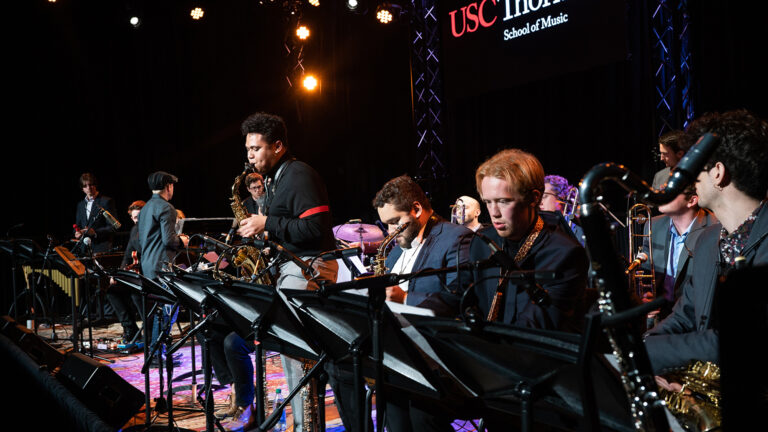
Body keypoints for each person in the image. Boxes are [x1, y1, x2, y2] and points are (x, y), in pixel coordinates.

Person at [328, 175, 472, 432]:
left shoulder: (456, 237)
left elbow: (459, 298)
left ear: (416, 209)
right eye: (387, 225)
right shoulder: (396, 250)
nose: (391, 232)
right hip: (397, 351)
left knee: (418, 415)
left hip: (434, 353)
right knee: (340, 369)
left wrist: (405, 299)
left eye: (395, 222)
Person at [221, 112, 337, 432]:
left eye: (256, 148)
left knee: (298, 358)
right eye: (247, 149)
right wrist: (268, 238)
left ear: (278, 146)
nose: (250, 156)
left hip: (309, 267)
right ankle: (302, 424)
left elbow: (316, 227)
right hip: (295, 266)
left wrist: (266, 224)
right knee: (292, 355)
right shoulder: (276, 179)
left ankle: (306, 427)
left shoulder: (298, 174)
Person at [645, 109, 768, 375]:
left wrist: (645, 354)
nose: (688, 179)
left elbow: (743, 339)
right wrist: (645, 344)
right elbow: (684, 315)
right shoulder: (707, 239)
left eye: (694, 168)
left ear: (718, 172)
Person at [469, 149, 588, 332]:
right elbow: (461, 298)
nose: (494, 213)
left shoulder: (565, 255)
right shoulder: (482, 242)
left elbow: (535, 328)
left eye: (503, 201)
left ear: (534, 198)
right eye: (488, 202)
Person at [639, 185, 716, 320]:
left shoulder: (715, 226)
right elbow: (646, 272)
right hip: (660, 316)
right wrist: (646, 297)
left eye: (670, 192)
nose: (660, 195)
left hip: (697, 316)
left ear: (691, 201)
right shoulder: (653, 225)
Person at [106, 200, 145, 342]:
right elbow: (128, 255)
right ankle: (131, 328)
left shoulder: (152, 229)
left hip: (149, 274)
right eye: (135, 218)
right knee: (112, 290)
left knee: (136, 294)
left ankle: (150, 329)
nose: (137, 221)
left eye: (140, 217)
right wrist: (119, 274)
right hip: (137, 274)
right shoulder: (134, 230)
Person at [74, 173, 118, 253]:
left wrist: (95, 232)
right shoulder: (80, 205)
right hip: (85, 249)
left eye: (91, 185)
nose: (88, 188)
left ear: (95, 185)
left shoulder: (106, 201)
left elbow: (113, 226)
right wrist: (77, 233)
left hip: (101, 247)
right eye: (85, 186)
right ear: (82, 189)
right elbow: (78, 225)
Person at [540, 174, 585, 245]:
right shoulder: (540, 227)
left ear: (561, 197)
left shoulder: (579, 227)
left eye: (544, 196)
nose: (540, 203)